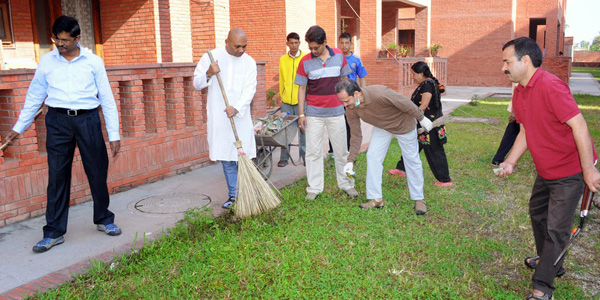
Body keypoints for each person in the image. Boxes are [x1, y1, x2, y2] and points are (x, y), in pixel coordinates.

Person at [2, 16, 122, 253]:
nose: (60, 44)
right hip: (57, 121)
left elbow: (106, 98)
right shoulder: (47, 62)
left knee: (97, 171)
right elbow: (35, 96)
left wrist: (114, 133)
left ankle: (104, 219)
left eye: (65, 40)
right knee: (57, 177)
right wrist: (18, 128)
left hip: (88, 119)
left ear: (77, 38)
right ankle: (54, 232)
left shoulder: (93, 62)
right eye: (56, 39)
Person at [496, 37, 600, 300]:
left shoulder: (551, 86)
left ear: (526, 61)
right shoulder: (520, 90)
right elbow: (526, 130)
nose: (503, 68)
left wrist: (588, 170)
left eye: (507, 61)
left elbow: (580, 127)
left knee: (556, 228)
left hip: (570, 169)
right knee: (537, 214)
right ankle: (551, 261)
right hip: (546, 169)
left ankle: (542, 287)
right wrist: (510, 161)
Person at [336, 78, 432, 214]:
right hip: (382, 127)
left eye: (347, 100)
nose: (345, 105)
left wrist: (421, 118)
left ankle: (419, 199)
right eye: (342, 102)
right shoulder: (352, 109)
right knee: (372, 156)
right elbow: (356, 135)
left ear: (357, 94)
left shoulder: (379, 94)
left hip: (403, 124)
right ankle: (376, 199)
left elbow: (405, 103)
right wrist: (350, 160)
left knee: (412, 160)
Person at [193, 28, 257, 209]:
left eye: (244, 46)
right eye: (237, 46)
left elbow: (250, 89)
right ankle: (233, 196)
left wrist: (237, 107)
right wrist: (208, 73)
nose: (241, 50)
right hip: (221, 119)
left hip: (240, 117)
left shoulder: (249, 62)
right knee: (227, 159)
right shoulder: (211, 57)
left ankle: (247, 193)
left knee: (242, 157)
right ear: (226, 42)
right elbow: (197, 83)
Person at [295, 25, 358, 200]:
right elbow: (301, 89)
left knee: (341, 151)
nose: (313, 51)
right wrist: (301, 114)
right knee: (313, 152)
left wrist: (348, 103)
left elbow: (345, 81)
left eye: (317, 47)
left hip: (337, 112)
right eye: (310, 48)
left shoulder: (338, 56)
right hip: (314, 113)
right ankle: (314, 188)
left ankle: (347, 184)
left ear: (325, 42)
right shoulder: (305, 61)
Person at [389, 61, 452, 187]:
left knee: (435, 152)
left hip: (429, 125)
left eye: (414, 75)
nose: (413, 78)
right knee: (412, 147)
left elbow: (423, 105)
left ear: (422, 73)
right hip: (422, 124)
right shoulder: (426, 83)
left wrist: (410, 115)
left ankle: (445, 180)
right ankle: (402, 169)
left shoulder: (428, 84)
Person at [326, 32, 368, 159]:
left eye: (347, 43)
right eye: (342, 43)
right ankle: (332, 152)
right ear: (339, 43)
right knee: (335, 123)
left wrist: (363, 95)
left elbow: (362, 78)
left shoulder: (356, 59)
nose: (344, 46)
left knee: (351, 123)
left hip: (351, 98)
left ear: (351, 43)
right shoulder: (333, 58)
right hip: (336, 98)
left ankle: (349, 151)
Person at [277, 32, 307, 167]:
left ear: (299, 43)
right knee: (285, 130)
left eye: (296, 42)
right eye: (291, 43)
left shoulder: (306, 58)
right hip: (287, 102)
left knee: (303, 129)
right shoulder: (283, 59)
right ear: (287, 43)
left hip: (302, 101)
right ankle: (284, 158)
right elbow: (282, 79)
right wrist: (282, 96)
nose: (294, 45)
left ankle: (306, 157)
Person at [492, 98, 520, 166]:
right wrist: (513, 111)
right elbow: (517, 91)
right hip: (521, 107)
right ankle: (498, 159)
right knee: (512, 131)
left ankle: (498, 159)